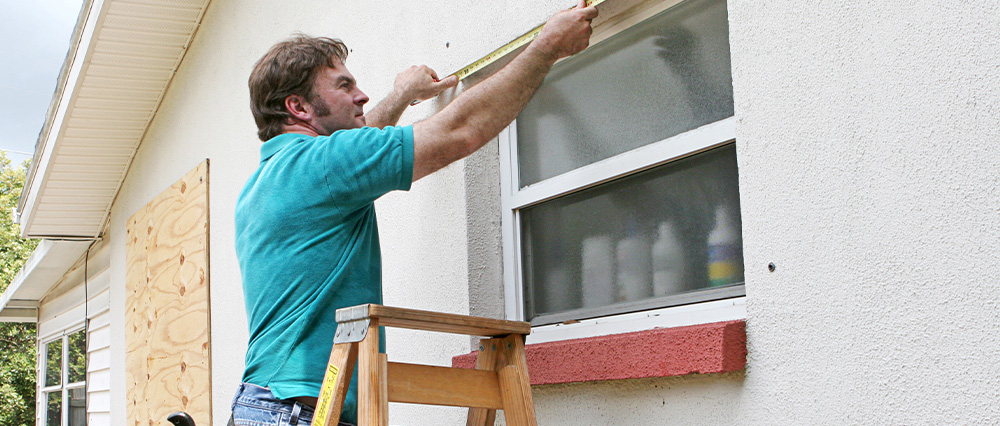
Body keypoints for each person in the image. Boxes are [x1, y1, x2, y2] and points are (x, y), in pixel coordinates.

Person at [231, 2, 598, 426]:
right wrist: (548, 47)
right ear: (299, 107)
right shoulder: (323, 165)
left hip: (269, 404)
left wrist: (402, 96)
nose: (361, 96)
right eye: (344, 85)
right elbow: (460, 129)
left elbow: (359, 148)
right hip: (300, 411)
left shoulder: (268, 180)